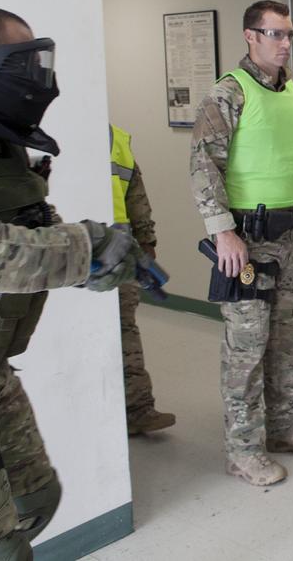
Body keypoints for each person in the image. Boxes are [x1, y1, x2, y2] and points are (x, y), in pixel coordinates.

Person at [0, 6, 143, 560]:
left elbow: (29, 233)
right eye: (25, 64)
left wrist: (94, 257)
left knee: (37, 499)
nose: (41, 79)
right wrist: (86, 251)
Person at [189, 0, 293, 487]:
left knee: (291, 342)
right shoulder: (227, 93)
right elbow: (203, 164)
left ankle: (285, 427)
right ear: (250, 36)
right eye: (275, 35)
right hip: (248, 244)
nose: (285, 43)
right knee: (247, 350)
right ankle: (243, 449)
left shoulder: (292, 91)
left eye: (289, 35)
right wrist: (221, 229)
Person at [108, 124, 175, 435]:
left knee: (125, 330)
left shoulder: (116, 140)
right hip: (76, 256)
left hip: (120, 254)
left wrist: (147, 242)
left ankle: (138, 409)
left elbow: (136, 194)